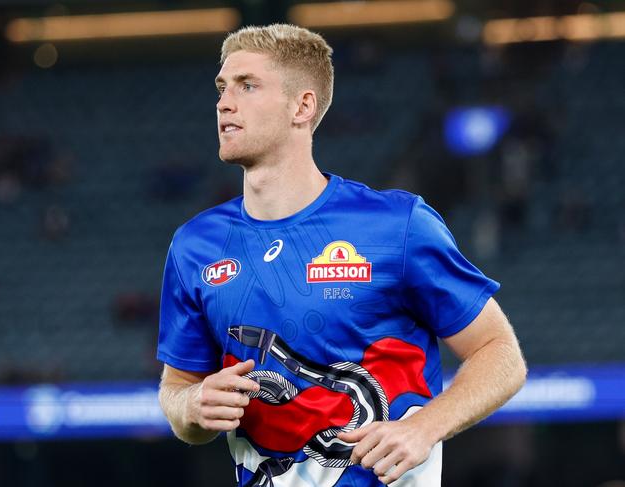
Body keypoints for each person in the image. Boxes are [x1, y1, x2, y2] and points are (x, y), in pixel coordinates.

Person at [157, 24, 527, 487]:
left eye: (247, 86)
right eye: (222, 88)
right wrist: (191, 409)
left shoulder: (398, 225)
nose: (224, 102)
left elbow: (501, 354)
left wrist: (424, 428)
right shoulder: (195, 246)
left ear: (302, 106)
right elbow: (178, 391)